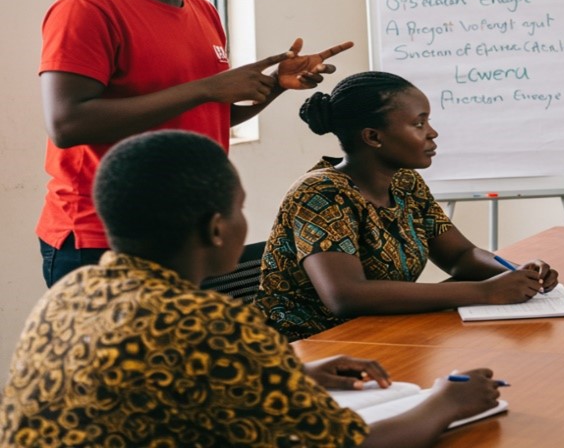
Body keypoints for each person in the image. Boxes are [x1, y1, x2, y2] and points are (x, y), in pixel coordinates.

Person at [0, 130, 501, 447]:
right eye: (240, 209)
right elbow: (346, 443)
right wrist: (446, 402)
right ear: (216, 229)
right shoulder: (212, 324)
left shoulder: (69, 293)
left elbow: (156, 384)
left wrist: (294, 374)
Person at [36, 0, 352, 286]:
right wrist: (206, 88)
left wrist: (274, 84)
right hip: (103, 238)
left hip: (186, 235)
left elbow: (205, 116)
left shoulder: (204, 13)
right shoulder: (89, 8)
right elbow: (67, 124)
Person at [256, 71, 559, 341]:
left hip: (383, 333)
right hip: (311, 348)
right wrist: (486, 291)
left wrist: (516, 272)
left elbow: (460, 256)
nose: (432, 132)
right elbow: (345, 295)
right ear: (373, 137)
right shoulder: (320, 192)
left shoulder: (405, 182)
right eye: (419, 123)